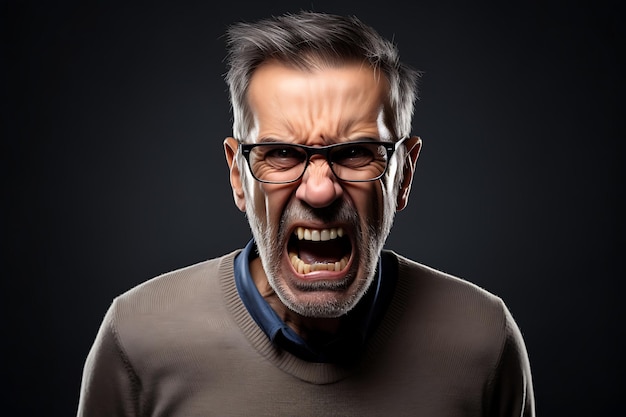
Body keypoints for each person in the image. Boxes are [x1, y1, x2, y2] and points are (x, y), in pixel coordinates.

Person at [77, 11, 535, 416]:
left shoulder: (482, 340)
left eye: (358, 151)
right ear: (239, 175)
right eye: (280, 152)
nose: (319, 190)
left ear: (404, 175)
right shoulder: (138, 336)